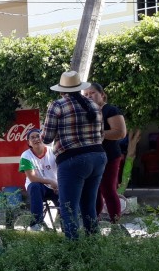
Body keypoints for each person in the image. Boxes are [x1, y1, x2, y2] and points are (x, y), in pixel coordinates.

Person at [41, 70, 106, 240]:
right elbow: (101, 135)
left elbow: (46, 138)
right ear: (79, 88)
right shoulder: (94, 105)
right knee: (89, 206)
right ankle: (94, 245)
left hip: (73, 160)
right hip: (98, 156)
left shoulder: (58, 105)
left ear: (62, 90)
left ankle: (74, 250)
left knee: (69, 208)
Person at [83, 83, 127, 222]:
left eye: (92, 93)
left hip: (110, 156)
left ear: (102, 94)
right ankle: (94, 224)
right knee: (93, 191)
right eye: (86, 95)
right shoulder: (85, 112)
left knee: (108, 189)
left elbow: (120, 132)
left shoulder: (110, 110)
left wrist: (96, 133)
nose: (89, 96)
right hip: (90, 156)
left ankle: (115, 223)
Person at [18, 128, 59, 230]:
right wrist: (50, 182)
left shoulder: (53, 152)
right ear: (29, 142)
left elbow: (62, 171)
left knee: (66, 200)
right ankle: (36, 224)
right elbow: (32, 178)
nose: (36, 139)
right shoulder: (26, 156)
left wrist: (59, 185)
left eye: (38, 136)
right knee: (35, 186)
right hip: (38, 186)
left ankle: (67, 226)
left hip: (55, 186)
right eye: (32, 137)